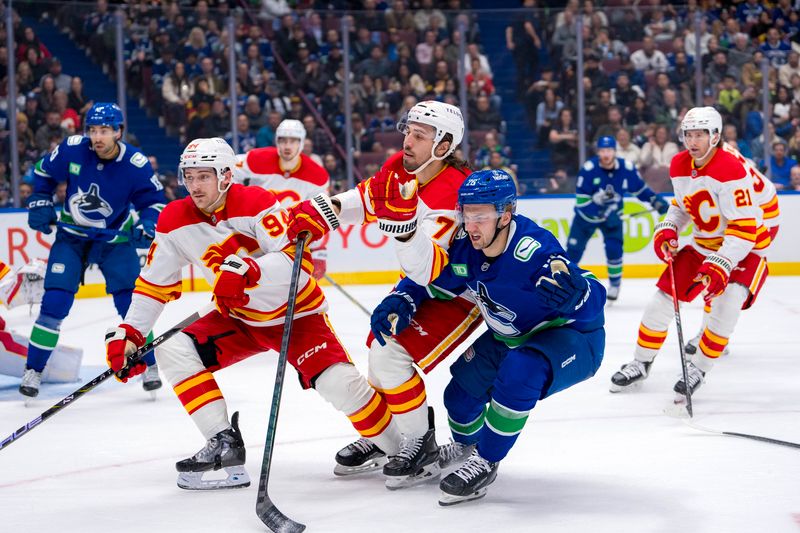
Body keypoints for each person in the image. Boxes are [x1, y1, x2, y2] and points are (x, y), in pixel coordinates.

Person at [104, 138, 402, 490]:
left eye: (204, 176)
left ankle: (402, 449)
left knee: (341, 386)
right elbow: (153, 285)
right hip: (238, 320)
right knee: (173, 349)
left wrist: (250, 270)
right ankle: (223, 441)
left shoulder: (257, 203)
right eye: (189, 176)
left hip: (295, 315)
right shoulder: (174, 221)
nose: (195, 186)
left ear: (227, 176)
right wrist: (131, 334)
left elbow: (298, 262)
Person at [372, 170, 605, 504]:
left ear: (505, 215)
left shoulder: (532, 249)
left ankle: (487, 459)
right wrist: (405, 297)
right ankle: (469, 447)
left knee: (520, 371)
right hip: (510, 336)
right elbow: (435, 276)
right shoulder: (467, 247)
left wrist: (579, 294)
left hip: (571, 337)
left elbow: (581, 282)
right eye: (466, 213)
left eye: (480, 216)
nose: (470, 225)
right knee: (459, 396)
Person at [285, 101, 475, 487]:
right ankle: (389, 436)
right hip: (421, 284)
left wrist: (404, 230)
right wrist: (321, 212)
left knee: (389, 356)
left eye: (420, 136)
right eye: (408, 130)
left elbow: (429, 269)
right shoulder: (401, 168)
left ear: (444, 146)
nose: (407, 140)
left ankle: (419, 442)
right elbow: (364, 198)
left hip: (460, 290)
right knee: (379, 344)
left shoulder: (455, 192)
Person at [610, 107, 772, 399]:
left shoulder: (731, 168)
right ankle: (641, 362)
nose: (693, 141)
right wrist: (668, 227)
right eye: (688, 134)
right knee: (660, 301)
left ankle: (698, 368)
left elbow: (745, 228)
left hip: (745, 250)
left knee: (725, 309)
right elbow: (683, 207)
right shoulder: (679, 164)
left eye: (700, 134)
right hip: (702, 244)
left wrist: (721, 262)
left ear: (715, 136)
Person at [22, 103, 166, 399]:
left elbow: (153, 201)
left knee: (132, 308)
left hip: (114, 242)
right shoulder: (74, 149)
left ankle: (149, 365)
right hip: (72, 237)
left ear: (118, 131)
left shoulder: (135, 164)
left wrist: (149, 224)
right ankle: (34, 370)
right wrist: (39, 199)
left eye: (104, 131)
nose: (97, 137)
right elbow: (43, 174)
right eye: (92, 130)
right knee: (54, 305)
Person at [683, 140, 780, 357]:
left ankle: (713, 335)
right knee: (716, 275)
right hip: (756, 215)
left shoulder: (720, 162)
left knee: (720, 277)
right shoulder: (719, 154)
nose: (693, 142)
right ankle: (709, 332)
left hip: (759, 221)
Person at [566, 136, 669, 302]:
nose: (606, 154)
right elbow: (581, 202)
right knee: (573, 251)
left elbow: (640, 189)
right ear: (598, 152)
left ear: (615, 151)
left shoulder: (626, 168)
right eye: (602, 151)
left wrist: (655, 201)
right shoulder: (588, 169)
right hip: (585, 218)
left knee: (614, 250)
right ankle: (566, 282)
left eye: (609, 150)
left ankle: (614, 285)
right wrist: (599, 209)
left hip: (612, 217)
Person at [234, 119, 330, 280]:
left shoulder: (317, 176)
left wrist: (319, 252)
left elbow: (321, 215)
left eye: (293, 141)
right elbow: (228, 170)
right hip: (251, 234)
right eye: (283, 140)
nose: (287, 146)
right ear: (276, 141)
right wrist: (238, 201)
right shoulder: (258, 158)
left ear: (301, 143)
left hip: (285, 240)